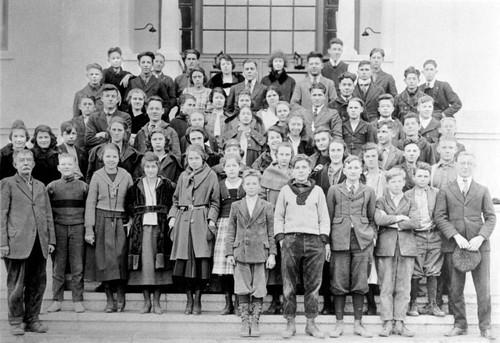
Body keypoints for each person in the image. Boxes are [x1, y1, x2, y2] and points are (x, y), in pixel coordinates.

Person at [434, 152, 496, 340]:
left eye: (469, 163)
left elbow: (491, 217)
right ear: (457, 165)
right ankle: (460, 324)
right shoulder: (446, 190)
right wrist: (455, 236)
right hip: (455, 245)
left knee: (483, 288)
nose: (466, 166)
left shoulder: (482, 189)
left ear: (474, 166)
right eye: (462, 163)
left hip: (479, 246)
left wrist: (481, 237)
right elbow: (439, 216)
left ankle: (485, 327)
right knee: (455, 288)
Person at [274, 154, 331, 339]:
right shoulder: (285, 191)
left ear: (309, 170)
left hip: (314, 241)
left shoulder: (318, 191)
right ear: (292, 170)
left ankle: (310, 324)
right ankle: (290, 323)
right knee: (289, 285)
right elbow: (278, 216)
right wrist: (282, 238)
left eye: (304, 168)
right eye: (297, 167)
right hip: (291, 240)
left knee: (313, 285)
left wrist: (324, 240)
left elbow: (324, 217)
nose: (300, 171)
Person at [0, 149, 56, 336]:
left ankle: (33, 319)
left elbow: (48, 214)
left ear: (33, 164)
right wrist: (2, 242)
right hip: (17, 243)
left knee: (38, 283)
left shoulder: (40, 186)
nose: (25, 163)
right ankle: (16, 321)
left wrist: (51, 240)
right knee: (16, 284)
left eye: (28, 160)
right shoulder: (7, 184)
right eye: (21, 160)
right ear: (15, 164)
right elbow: (1, 215)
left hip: (39, 243)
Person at [327, 155, 376, 338]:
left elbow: (372, 218)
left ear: (361, 171)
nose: (353, 171)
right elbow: (328, 217)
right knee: (339, 281)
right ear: (344, 170)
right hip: (339, 240)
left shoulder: (369, 191)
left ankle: (358, 323)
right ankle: (339, 324)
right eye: (350, 167)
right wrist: (327, 242)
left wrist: (372, 236)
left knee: (360, 281)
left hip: (361, 240)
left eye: (357, 168)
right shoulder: (334, 190)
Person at [168, 144, 220, 315]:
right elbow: (176, 200)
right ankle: (188, 299)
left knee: (200, 264)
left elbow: (215, 202)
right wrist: (172, 217)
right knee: (183, 264)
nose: (194, 162)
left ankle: (197, 299)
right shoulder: (183, 176)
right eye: (191, 158)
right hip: (183, 222)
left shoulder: (211, 175)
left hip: (201, 220)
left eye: (197, 158)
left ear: (203, 158)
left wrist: (211, 220)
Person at [226, 169, 276, 337]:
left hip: (260, 252)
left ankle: (255, 321)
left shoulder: (267, 206)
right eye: (248, 183)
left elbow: (271, 231)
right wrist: (229, 252)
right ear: (243, 185)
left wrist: (272, 254)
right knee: (242, 287)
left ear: (259, 185)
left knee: (259, 287)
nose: (251, 186)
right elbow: (231, 231)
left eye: (254, 183)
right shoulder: (236, 205)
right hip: (241, 252)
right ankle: (245, 321)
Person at [85, 143, 133, 312]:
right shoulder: (97, 176)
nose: (111, 160)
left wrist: (132, 220)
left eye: (114, 156)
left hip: (121, 219)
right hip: (102, 218)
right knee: (104, 258)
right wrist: (89, 229)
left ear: (119, 157)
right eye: (108, 156)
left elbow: (133, 201)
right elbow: (90, 203)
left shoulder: (126, 175)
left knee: (120, 256)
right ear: (102, 158)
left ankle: (120, 294)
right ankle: (109, 299)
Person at [125, 152, 176, 314]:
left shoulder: (167, 185)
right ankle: (146, 301)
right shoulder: (136, 185)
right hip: (142, 229)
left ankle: (157, 302)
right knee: (145, 266)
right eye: (147, 167)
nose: (151, 170)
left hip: (160, 228)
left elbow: (172, 203)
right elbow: (128, 205)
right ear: (143, 168)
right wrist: (133, 219)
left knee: (158, 265)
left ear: (158, 167)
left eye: (153, 166)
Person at [374, 167, 419, 337]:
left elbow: (415, 222)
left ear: (404, 182)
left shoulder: (411, 201)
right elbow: (379, 219)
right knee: (386, 286)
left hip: (406, 248)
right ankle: (386, 322)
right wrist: (401, 218)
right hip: (386, 247)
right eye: (393, 181)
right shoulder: (381, 201)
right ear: (388, 183)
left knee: (404, 286)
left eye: (400, 181)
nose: (397, 184)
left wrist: (391, 221)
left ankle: (400, 322)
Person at [45, 154, 88, 314]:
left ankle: (78, 300)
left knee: (77, 265)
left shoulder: (83, 186)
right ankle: (57, 300)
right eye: (63, 164)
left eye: (69, 164)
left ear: (75, 165)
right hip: (58, 228)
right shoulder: (51, 187)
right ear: (58, 167)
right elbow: (46, 211)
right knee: (58, 266)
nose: (66, 167)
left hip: (78, 227)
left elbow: (88, 208)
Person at [404, 162, 445, 317]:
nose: (422, 179)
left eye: (426, 176)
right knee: (416, 270)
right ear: (414, 177)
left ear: (430, 178)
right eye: (419, 176)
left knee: (433, 270)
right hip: (416, 236)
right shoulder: (408, 195)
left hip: (433, 235)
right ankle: (413, 304)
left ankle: (433, 304)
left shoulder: (436, 193)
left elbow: (442, 213)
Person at [259, 142, 294, 315]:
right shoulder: (268, 173)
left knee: (286, 263)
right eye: (281, 154)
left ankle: (286, 300)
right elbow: (261, 196)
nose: (284, 158)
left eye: (288, 155)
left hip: (290, 222)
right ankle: (274, 300)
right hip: (272, 221)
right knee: (272, 260)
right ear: (276, 155)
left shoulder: (295, 174)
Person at [212, 156, 245, 315]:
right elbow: (215, 205)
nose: (231, 169)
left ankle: (239, 302)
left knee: (238, 264)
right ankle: (228, 303)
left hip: (241, 225)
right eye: (228, 166)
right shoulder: (219, 185)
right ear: (223, 168)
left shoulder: (245, 184)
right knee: (225, 267)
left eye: (234, 166)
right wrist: (212, 220)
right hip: (224, 224)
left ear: (240, 167)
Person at [362, 142, 387, 315]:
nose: (370, 159)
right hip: (366, 223)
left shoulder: (385, 176)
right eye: (367, 156)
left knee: (383, 263)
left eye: (373, 156)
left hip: (384, 222)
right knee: (367, 264)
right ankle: (371, 303)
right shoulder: (360, 176)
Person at [86, 117, 142, 183]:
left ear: (124, 131)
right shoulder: (96, 151)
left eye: (120, 130)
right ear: (109, 131)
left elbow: (135, 179)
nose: (116, 133)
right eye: (114, 130)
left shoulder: (134, 155)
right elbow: (89, 177)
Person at [125, 51, 171, 121]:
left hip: (153, 119)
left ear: (152, 64)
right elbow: (125, 102)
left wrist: (161, 114)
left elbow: (167, 103)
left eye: (148, 62)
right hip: (136, 119)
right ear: (139, 64)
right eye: (143, 62)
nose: (146, 65)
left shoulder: (159, 82)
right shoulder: (132, 82)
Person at [84, 84, 132, 150]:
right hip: (99, 153)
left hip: (119, 154)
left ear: (117, 99)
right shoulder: (93, 117)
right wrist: (113, 138)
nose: (110, 99)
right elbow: (88, 140)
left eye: (113, 96)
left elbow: (125, 138)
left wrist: (105, 135)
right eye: (107, 96)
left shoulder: (125, 117)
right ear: (102, 99)